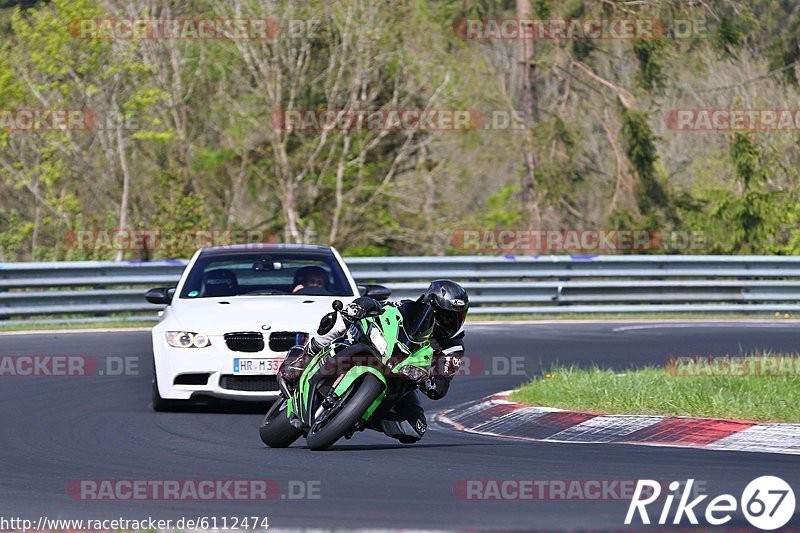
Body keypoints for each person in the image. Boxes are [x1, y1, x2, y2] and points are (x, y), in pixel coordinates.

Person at [278, 280, 469, 443]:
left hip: (401, 378)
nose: (450, 322)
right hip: (376, 351)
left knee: (414, 429)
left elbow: (443, 382)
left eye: (456, 317)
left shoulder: (453, 347)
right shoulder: (408, 308)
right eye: (445, 315)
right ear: (431, 306)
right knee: (340, 318)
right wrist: (362, 305)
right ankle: (306, 355)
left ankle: (360, 416)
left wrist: (429, 381)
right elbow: (381, 306)